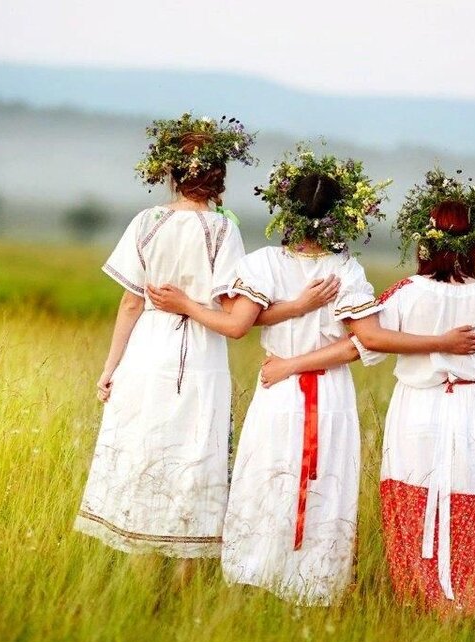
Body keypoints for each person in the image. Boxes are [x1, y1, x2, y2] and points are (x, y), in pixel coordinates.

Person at [147, 149, 475, 605]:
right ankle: (312, 588)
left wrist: (281, 359)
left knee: (268, 478)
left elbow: (237, 324)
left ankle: (256, 580)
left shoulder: (263, 263)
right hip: (328, 394)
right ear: (339, 218)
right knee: (322, 485)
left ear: (287, 211)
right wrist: (441, 341)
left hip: (277, 388)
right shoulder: (343, 269)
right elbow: (364, 341)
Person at [260, 168, 475, 621]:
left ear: (424, 243)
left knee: (417, 506)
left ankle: (432, 605)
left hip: (419, 413)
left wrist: (289, 361)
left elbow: (364, 343)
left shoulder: (404, 294)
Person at [76, 116, 339, 562]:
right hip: (200, 354)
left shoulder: (146, 222)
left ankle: (139, 564)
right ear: (217, 176)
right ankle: (184, 573)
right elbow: (235, 315)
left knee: (144, 450)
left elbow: (130, 303)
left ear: (173, 173)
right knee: (195, 454)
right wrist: (296, 307)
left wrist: (110, 368)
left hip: (146, 350)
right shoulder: (223, 230)